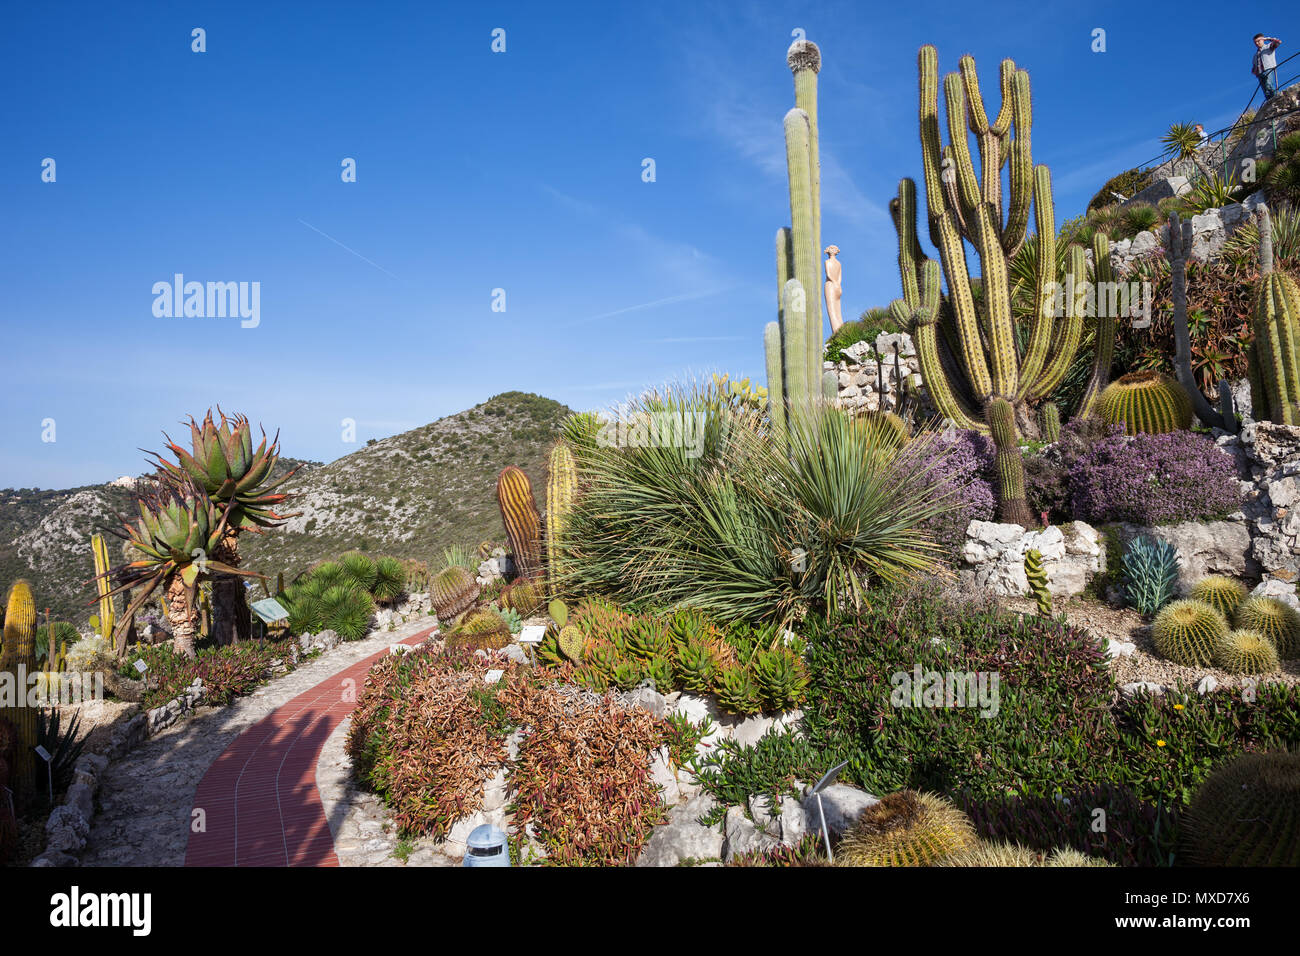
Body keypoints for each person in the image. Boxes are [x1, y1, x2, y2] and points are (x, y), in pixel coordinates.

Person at [1252, 33, 1282, 102]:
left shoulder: (1268, 47)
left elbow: (1278, 42)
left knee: (1269, 86)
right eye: (1255, 42)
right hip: (1260, 73)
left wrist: (1267, 38)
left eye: (1258, 41)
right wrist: (1255, 73)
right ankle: (1270, 103)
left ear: (1263, 40)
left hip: (1268, 69)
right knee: (1266, 91)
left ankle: (1276, 100)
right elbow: (1254, 66)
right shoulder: (1255, 55)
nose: (1257, 43)